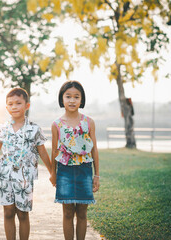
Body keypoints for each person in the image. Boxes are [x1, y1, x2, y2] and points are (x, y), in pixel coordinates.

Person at [0, 88, 53, 240]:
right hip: (6, 176)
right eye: (10, 104)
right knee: (8, 212)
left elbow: (43, 153)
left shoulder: (34, 129)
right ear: (7, 107)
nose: (14, 107)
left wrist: (53, 173)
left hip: (25, 177)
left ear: (27, 106)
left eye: (18, 103)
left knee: (22, 214)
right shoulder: (2, 129)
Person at [49, 80, 100, 240]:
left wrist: (96, 175)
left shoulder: (88, 122)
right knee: (68, 212)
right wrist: (53, 173)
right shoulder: (56, 124)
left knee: (82, 212)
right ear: (62, 99)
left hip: (85, 170)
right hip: (64, 171)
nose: (72, 100)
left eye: (76, 97)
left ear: (81, 99)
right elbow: (54, 151)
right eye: (68, 96)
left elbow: (94, 149)